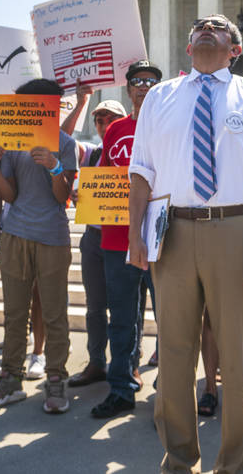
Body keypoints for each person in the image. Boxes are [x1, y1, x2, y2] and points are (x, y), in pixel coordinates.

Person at [128, 15, 243, 474]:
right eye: (198, 25)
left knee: (237, 357)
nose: (206, 28)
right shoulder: (160, 97)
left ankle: (236, 464)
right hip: (172, 231)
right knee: (175, 354)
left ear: (234, 48)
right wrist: (136, 234)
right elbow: (141, 172)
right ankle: (179, 460)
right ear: (187, 46)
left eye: (218, 27)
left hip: (237, 230)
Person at [0, 78, 78, 414]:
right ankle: (10, 379)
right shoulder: (11, 143)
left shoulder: (66, 143)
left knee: (54, 314)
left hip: (52, 236)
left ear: (50, 108)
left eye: (32, 104)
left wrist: (55, 167)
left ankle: (55, 379)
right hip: (16, 234)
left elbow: (62, 197)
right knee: (14, 313)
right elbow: (9, 195)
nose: (24, 110)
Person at [91, 60, 161, 419]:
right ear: (128, 88)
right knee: (120, 319)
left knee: (168, 319)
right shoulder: (116, 129)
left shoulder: (169, 126)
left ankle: (168, 393)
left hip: (161, 239)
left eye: (150, 81)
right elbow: (104, 176)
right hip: (117, 237)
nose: (143, 86)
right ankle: (121, 388)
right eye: (136, 81)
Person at [67, 95, 127, 389]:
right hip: (94, 238)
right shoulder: (91, 152)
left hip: (123, 239)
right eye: (100, 120)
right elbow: (60, 140)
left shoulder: (133, 153)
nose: (104, 125)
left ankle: (127, 364)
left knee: (126, 306)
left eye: (111, 120)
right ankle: (96, 362)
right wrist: (81, 104)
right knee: (94, 307)